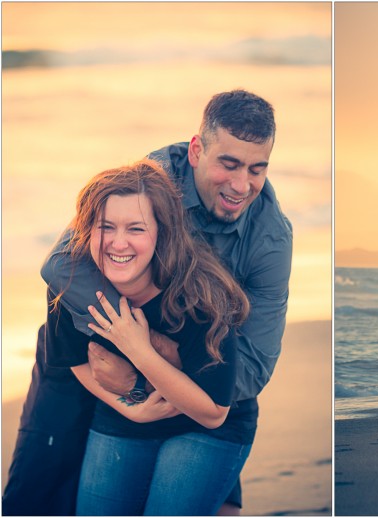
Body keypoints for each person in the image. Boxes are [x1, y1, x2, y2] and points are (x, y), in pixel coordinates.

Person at [2, 89, 292, 515]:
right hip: (91, 345)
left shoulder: (271, 239)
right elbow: (63, 266)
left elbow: (250, 369)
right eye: (228, 165)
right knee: (38, 491)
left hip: (202, 368)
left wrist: (144, 360)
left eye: (256, 169)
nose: (241, 185)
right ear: (196, 150)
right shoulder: (154, 180)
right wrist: (126, 379)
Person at [47, 159, 252, 514]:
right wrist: (133, 410)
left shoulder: (200, 295)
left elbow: (214, 412)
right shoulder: (73, 282)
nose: (118, 243)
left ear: (162, 232)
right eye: (105, 226)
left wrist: (138, 348)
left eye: (136, 229)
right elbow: (77, 362)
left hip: (205, 423)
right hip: (125, 415)